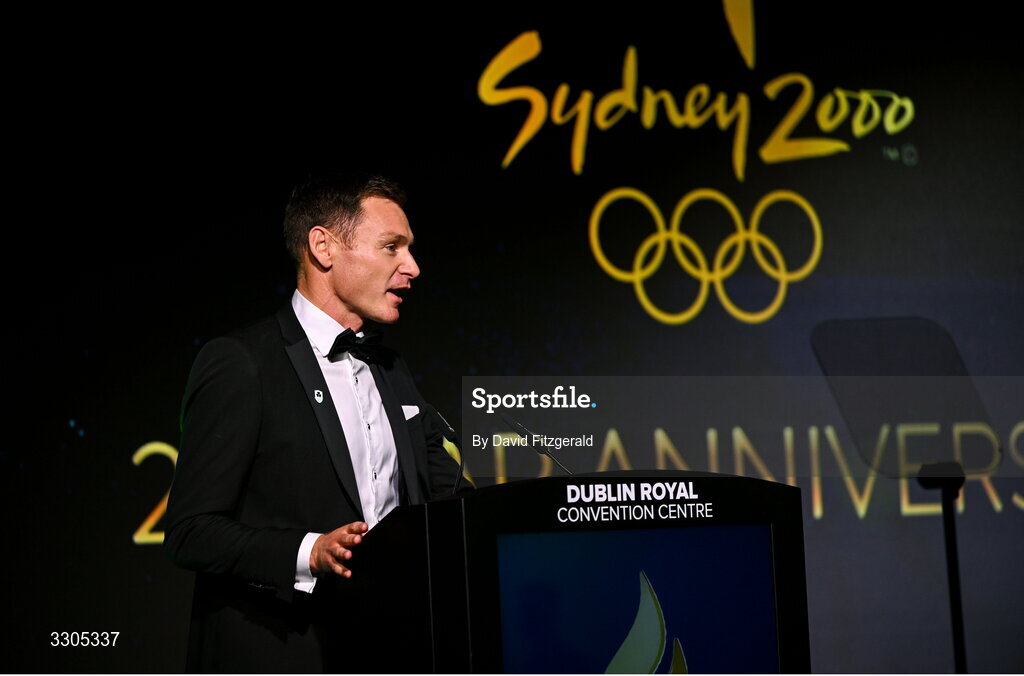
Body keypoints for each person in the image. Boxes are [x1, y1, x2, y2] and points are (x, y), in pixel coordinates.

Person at [164, 172, 467, 672]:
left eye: (409, 249)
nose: (412, 266)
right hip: (282, 653)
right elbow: (190, 531)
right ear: (324, 248)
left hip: (390, 649)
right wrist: (310, 552)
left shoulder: (391, 370)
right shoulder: (242, 363)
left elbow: (446, 495)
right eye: (392, 247)